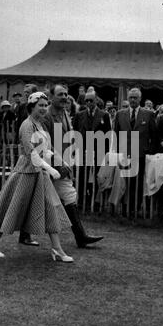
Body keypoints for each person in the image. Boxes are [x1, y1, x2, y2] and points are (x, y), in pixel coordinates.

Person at [0, 92, 73, 263]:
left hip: (40, 175)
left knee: (51, 207)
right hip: (26, 173)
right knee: (12, 208)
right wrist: (52, 169)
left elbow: (47, 150)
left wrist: (62, 162)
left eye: (45, 105)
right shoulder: (26, 126)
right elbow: (32, 153)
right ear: (31, 106)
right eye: (40, 105)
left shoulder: (40, 126)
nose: (43, 108)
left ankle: (57, 249)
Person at [43, 84, 104, 248]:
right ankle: (12, 233)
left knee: (69, 196)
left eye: (66, 94)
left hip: (62, 165)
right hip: (50, 166)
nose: (64, 97)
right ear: (51, 97)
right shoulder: (47, 115)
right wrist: (58, 163)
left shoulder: (65, 113)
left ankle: (81, 236)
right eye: (60, 94)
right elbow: (46, 144)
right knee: (32, 198)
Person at [114, 87, 157, 215]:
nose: (133, 100)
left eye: (135, 97)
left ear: (140, 99)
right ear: (128, 98)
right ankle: (124, 207)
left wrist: (149, 151)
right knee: (124, 182)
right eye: (131, 97)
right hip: (125, 153)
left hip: (141, 154)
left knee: (137, 182)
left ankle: (134, 208)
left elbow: (154, 135)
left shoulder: (148, 114)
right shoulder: (120, 114)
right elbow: (116, 134)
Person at [73, 90, 112, 207]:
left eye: (91, 100)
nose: (89, 103)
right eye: (87, 101)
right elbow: (75, 133)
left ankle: (94, 201)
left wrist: (105, 152)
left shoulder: (104, 115)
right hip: (83, 150)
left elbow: (108, 135)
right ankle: (81, 201)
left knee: (96, 176)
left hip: (98, 150)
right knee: (82, 175)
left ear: (96, 100)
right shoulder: (79, 115)